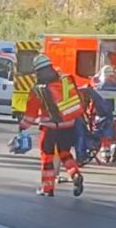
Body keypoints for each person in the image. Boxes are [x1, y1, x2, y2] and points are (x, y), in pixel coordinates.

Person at [19, 55, 85, 197]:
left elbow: (30, 114)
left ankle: (47, 188)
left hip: (49, 128)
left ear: (37, 72)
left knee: (47, 157)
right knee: (65, 153)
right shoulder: (65, 82)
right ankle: (75, 174)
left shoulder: (38, 89)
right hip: (68, 124)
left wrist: (23, 126)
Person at [94, 65, 116, 163]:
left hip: (102, 117)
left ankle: (106, 156)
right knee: (114, 137)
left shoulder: (97, 88)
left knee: (105, 137)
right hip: (115, 117)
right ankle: (115, 148)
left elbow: (93, 102)